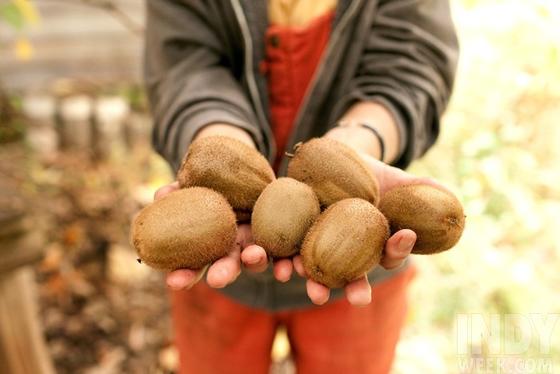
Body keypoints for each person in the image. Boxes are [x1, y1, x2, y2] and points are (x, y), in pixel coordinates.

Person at [144, 0, 458, 373]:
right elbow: (183, 64)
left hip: (355, 261)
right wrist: (219, 141)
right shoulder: (214, 220)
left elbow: (413, 64)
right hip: (219, 261)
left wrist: (360, 141)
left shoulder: (363, 210)